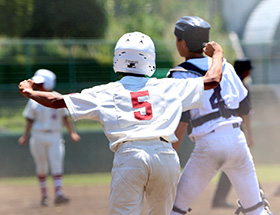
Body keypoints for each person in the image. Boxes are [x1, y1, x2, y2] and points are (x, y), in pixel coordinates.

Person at [18, 31, 224, 215]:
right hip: (165, 156)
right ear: (150, 59)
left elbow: (56, 101)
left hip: (131, 156)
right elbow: (213, 79)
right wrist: (217, 55)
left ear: (118, 59)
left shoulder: (105, 91)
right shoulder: (168, 86)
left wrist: (30, 91)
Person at [167, 16, 273, 215]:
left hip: (209, 143)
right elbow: (243, 107)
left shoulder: (179, 74)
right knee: (255, 208)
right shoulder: (226, 67)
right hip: (236, 140)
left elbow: (183, 119)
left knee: (175, 208)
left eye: (177, 40)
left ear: (182, 43)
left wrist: (168, 155)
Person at [18, 69, 81, 206]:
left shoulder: (56, 97)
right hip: (38, 135)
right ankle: (45, 196)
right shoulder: (34, 99)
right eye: (38, 84)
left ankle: (58, 194)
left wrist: (72, 132)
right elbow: (29, 119)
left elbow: (65, 118)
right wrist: (25, 135)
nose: (39, 86)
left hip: (55, 135)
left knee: (57, 164)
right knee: (41, 167)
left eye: (42, 83)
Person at [212, 58, 255, 208]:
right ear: (245, 71)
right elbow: (246, 114)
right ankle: (253, 197)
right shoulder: (242, 88)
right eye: (248, 69)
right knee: (239, 164)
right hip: (236, 131)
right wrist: (250, 135)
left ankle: (219, 198)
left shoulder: (224, 85)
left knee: (232, 164)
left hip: (218, 129)